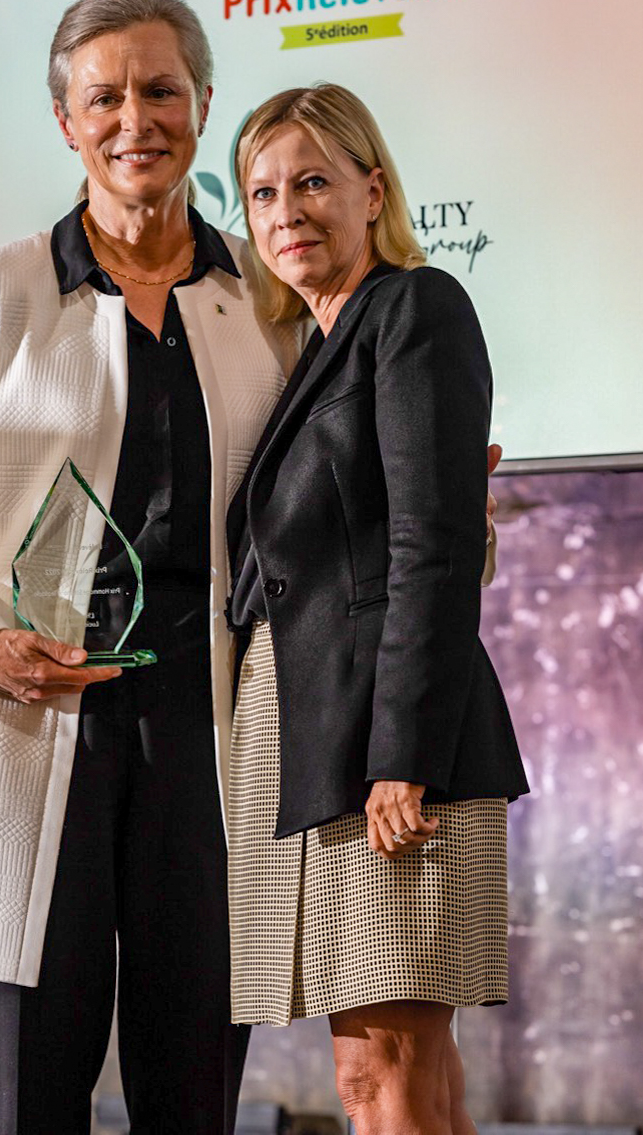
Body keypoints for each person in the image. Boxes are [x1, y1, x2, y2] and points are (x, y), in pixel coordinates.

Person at [0, 0, 305, 1135]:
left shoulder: (267, 302)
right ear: (65, 120)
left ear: (203, 105)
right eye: (102, 96)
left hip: (210, 736)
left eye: (160, 90)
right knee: (29, 1102)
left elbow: (321, 516)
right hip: (29, 723)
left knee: (192, 1096)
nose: (133, 119)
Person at [225, 84, 528, 1135]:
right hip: (318, 737)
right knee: (380, 1069)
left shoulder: (414, 307)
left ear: (372, 188)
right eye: (261, 191)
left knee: (384, 1064)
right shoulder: (317, 347)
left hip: (386, 747)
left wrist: (403, 751)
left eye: (312, 181)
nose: (286, 211)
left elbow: (429, 547)